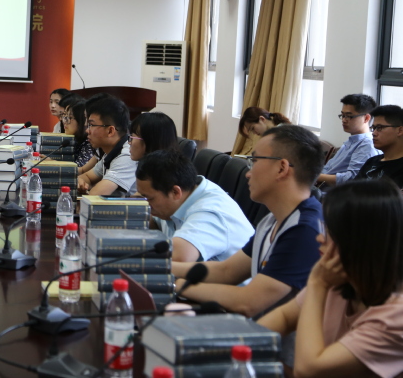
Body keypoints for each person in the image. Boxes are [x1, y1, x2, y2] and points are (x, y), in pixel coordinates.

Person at [173, 125, 323, 318]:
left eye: (255, 161)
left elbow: (248, 302)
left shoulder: (304, 230)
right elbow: (226, 271)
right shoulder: (272, 219)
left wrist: (172, 284)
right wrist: (160, 268)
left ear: (281, 168)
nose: (248, 173)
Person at [258, 180, 403, 378]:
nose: (320, 238)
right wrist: (243, 345)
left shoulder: (396, 317)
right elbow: (284, 317)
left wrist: (317, 284)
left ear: (360, 242)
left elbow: (308, 370)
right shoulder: (343, 280)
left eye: (330, 232)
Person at [136, 150, 253, 262]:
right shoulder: (184, 193)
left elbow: (179, 257)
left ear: (175, 192)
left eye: (149, 198)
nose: (146, 204)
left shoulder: (210, 212)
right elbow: (156, 225)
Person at [76, 97, 136, 196]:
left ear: (110, 131)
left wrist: (89, 186)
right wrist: (81, 183)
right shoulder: (111, 151)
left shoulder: (126, 156)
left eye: (91, 125)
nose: (87, 130)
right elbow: (86, 176)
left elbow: (95, 196)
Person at [317, 94, 380, 187]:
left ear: (366, 118)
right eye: (343, 115)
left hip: (335, 193)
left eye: (349, 116)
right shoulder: (352, 141)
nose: (344, 120)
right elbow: (329, 168)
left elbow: (352, 179)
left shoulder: (367, 144)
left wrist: (316, 176)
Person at [354, 104, 403, 188]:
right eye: (373, 128)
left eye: (379, 128)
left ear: (400, 130)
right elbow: (352, 190)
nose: (374, 133)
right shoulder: (371, 162)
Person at [62, 97, 95, 169]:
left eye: (70, 117)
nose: (65, 122)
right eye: (65, 116)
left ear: (82, 120)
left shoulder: (89, 144)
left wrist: (53, 163)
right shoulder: (76, 141)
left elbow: (78, 169)